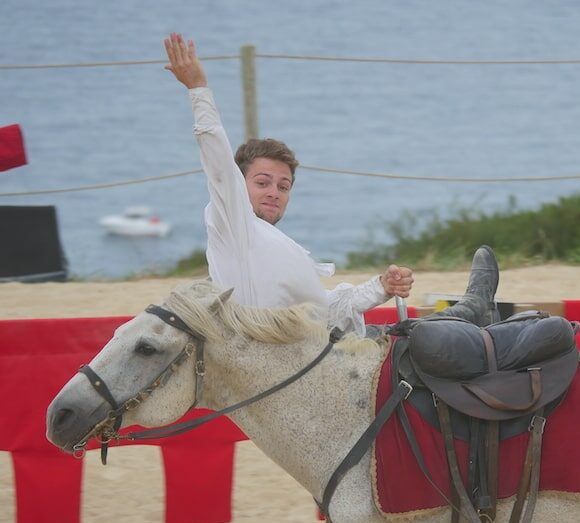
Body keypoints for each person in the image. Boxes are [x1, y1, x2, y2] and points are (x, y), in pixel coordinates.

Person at [164, 33, 498, 335]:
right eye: (263, 182)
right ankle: (472, 310)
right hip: (295, 367)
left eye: (284, 186)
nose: (274, 193)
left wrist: (382, 286)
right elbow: (218, 161)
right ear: (239, 185)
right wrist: (198, 89)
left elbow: (327, 311)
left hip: (319, 352)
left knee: (415, 339)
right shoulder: (232, 225)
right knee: (421, 344)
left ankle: (473, 313)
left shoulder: (271, 246)